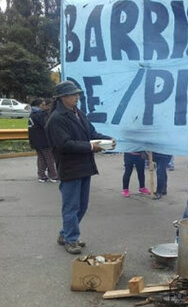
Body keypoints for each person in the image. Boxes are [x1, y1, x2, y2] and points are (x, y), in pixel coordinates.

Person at [46, 81, 115, 255]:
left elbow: (91, 134)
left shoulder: (78, 113)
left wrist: (107, 140)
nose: (77, 97)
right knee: (71, 207)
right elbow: (65, 145)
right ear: (62, 98)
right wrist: (91, 147)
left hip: (84, 166)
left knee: (82, 206)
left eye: (77, 94)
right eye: (73, 94)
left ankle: (65, 234)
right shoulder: (56, 119)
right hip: (70, 169)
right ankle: (71, 239)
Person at [28, 98, 58, 183]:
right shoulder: (40, 114)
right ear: (39, 106)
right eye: (43, 105)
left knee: (41, 158)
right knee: (50, 158)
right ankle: (53, 175)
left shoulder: (33, 114)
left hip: (35, 140)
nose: (44, 106)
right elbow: (46, 125)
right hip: (43, 140)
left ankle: (42, 176)